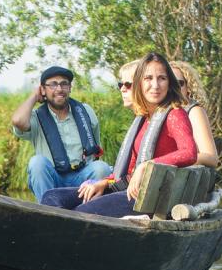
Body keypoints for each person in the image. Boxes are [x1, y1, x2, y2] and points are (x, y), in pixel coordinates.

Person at [41, 52, 197, 217]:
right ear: (139, 84)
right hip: (126, 189)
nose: (155, 85)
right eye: (148, 78)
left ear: (169, 82)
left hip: (148, 197)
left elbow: (190, 152)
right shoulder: (144, 118)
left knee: (81, 212)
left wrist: (146, 166)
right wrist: (104, 183)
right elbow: (128, 170)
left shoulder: (174, 114)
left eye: (162, 78)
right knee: (52, 197)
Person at [11, 65, 111, 201]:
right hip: (53, 178)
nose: (59, 89)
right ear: (43, 90)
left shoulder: (86, 111)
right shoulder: (35, 117)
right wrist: (34, 96)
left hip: (83, 178)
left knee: (101, 168)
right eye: (52, 84)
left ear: (70, 88)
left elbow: (95, 149)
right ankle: (47, 211)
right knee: (37, 163)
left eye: (64, 84)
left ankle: (91, 211)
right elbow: (18, 121)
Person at [170, 60, 219, 168]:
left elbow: (211, 157)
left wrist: (168, 161)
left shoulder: (194, 111)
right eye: (169, 83)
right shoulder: (159, 113)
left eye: (179, 83)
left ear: (188, 88)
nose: (174, 88)